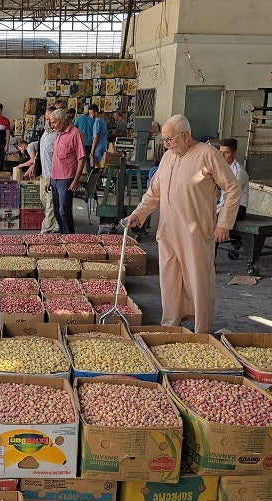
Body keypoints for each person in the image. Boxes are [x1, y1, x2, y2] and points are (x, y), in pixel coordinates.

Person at [121, 114, 241, 334]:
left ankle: (200, 331)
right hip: (167, 230)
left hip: (196, 231)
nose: (166, 145)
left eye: (170, 139)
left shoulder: (208, 155)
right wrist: (139, 213)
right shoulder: (168, 157)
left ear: (186, 135)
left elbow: (232, 188)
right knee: (170, 279)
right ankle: (170, 325)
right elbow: (154, 193)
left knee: (198, 280)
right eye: (164, 140)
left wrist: (224, 223)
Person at [48, 108, 85, 234]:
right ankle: (63, 235)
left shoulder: (75, 134)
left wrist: (75, 180)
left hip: (66, 179)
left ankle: (70, 237)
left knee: (65, 210)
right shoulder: (58, 135)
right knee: (57, 210)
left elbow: (81, 158)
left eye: (54, 122)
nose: (52, 125)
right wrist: (50, 178)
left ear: (62, 120)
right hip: (55, 178)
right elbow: (55, 159)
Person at [27, 108, 58, 233]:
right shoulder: (44, 133)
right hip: (43, 174)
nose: (48, 122)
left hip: (53, 175)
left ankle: (45, 230)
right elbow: (40, 152)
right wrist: (34, 164)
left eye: (50, 119)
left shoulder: (58, 134)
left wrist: (52, 176)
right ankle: (57, 222)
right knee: (43, 199)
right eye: (46, 119)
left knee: (50, 204)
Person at [215, 138, 249, 221]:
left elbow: (231, 195)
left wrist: (215, 211)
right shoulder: (220, 168)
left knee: (213, 218)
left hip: (237, 207)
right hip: (221, 203)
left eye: (226, 153)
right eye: (220, 152)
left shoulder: (238, 171)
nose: (222, 156)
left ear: (234, 154)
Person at [87, 104, 109, 169]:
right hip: (103, 146)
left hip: (98, 147)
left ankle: (99, 179)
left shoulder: (97, 122)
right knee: (101, 165)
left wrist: (92, 151)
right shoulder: (103, 121)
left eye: (90, 113)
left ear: (96, 113)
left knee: (97, 166)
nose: (89, 115)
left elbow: (96, 137)